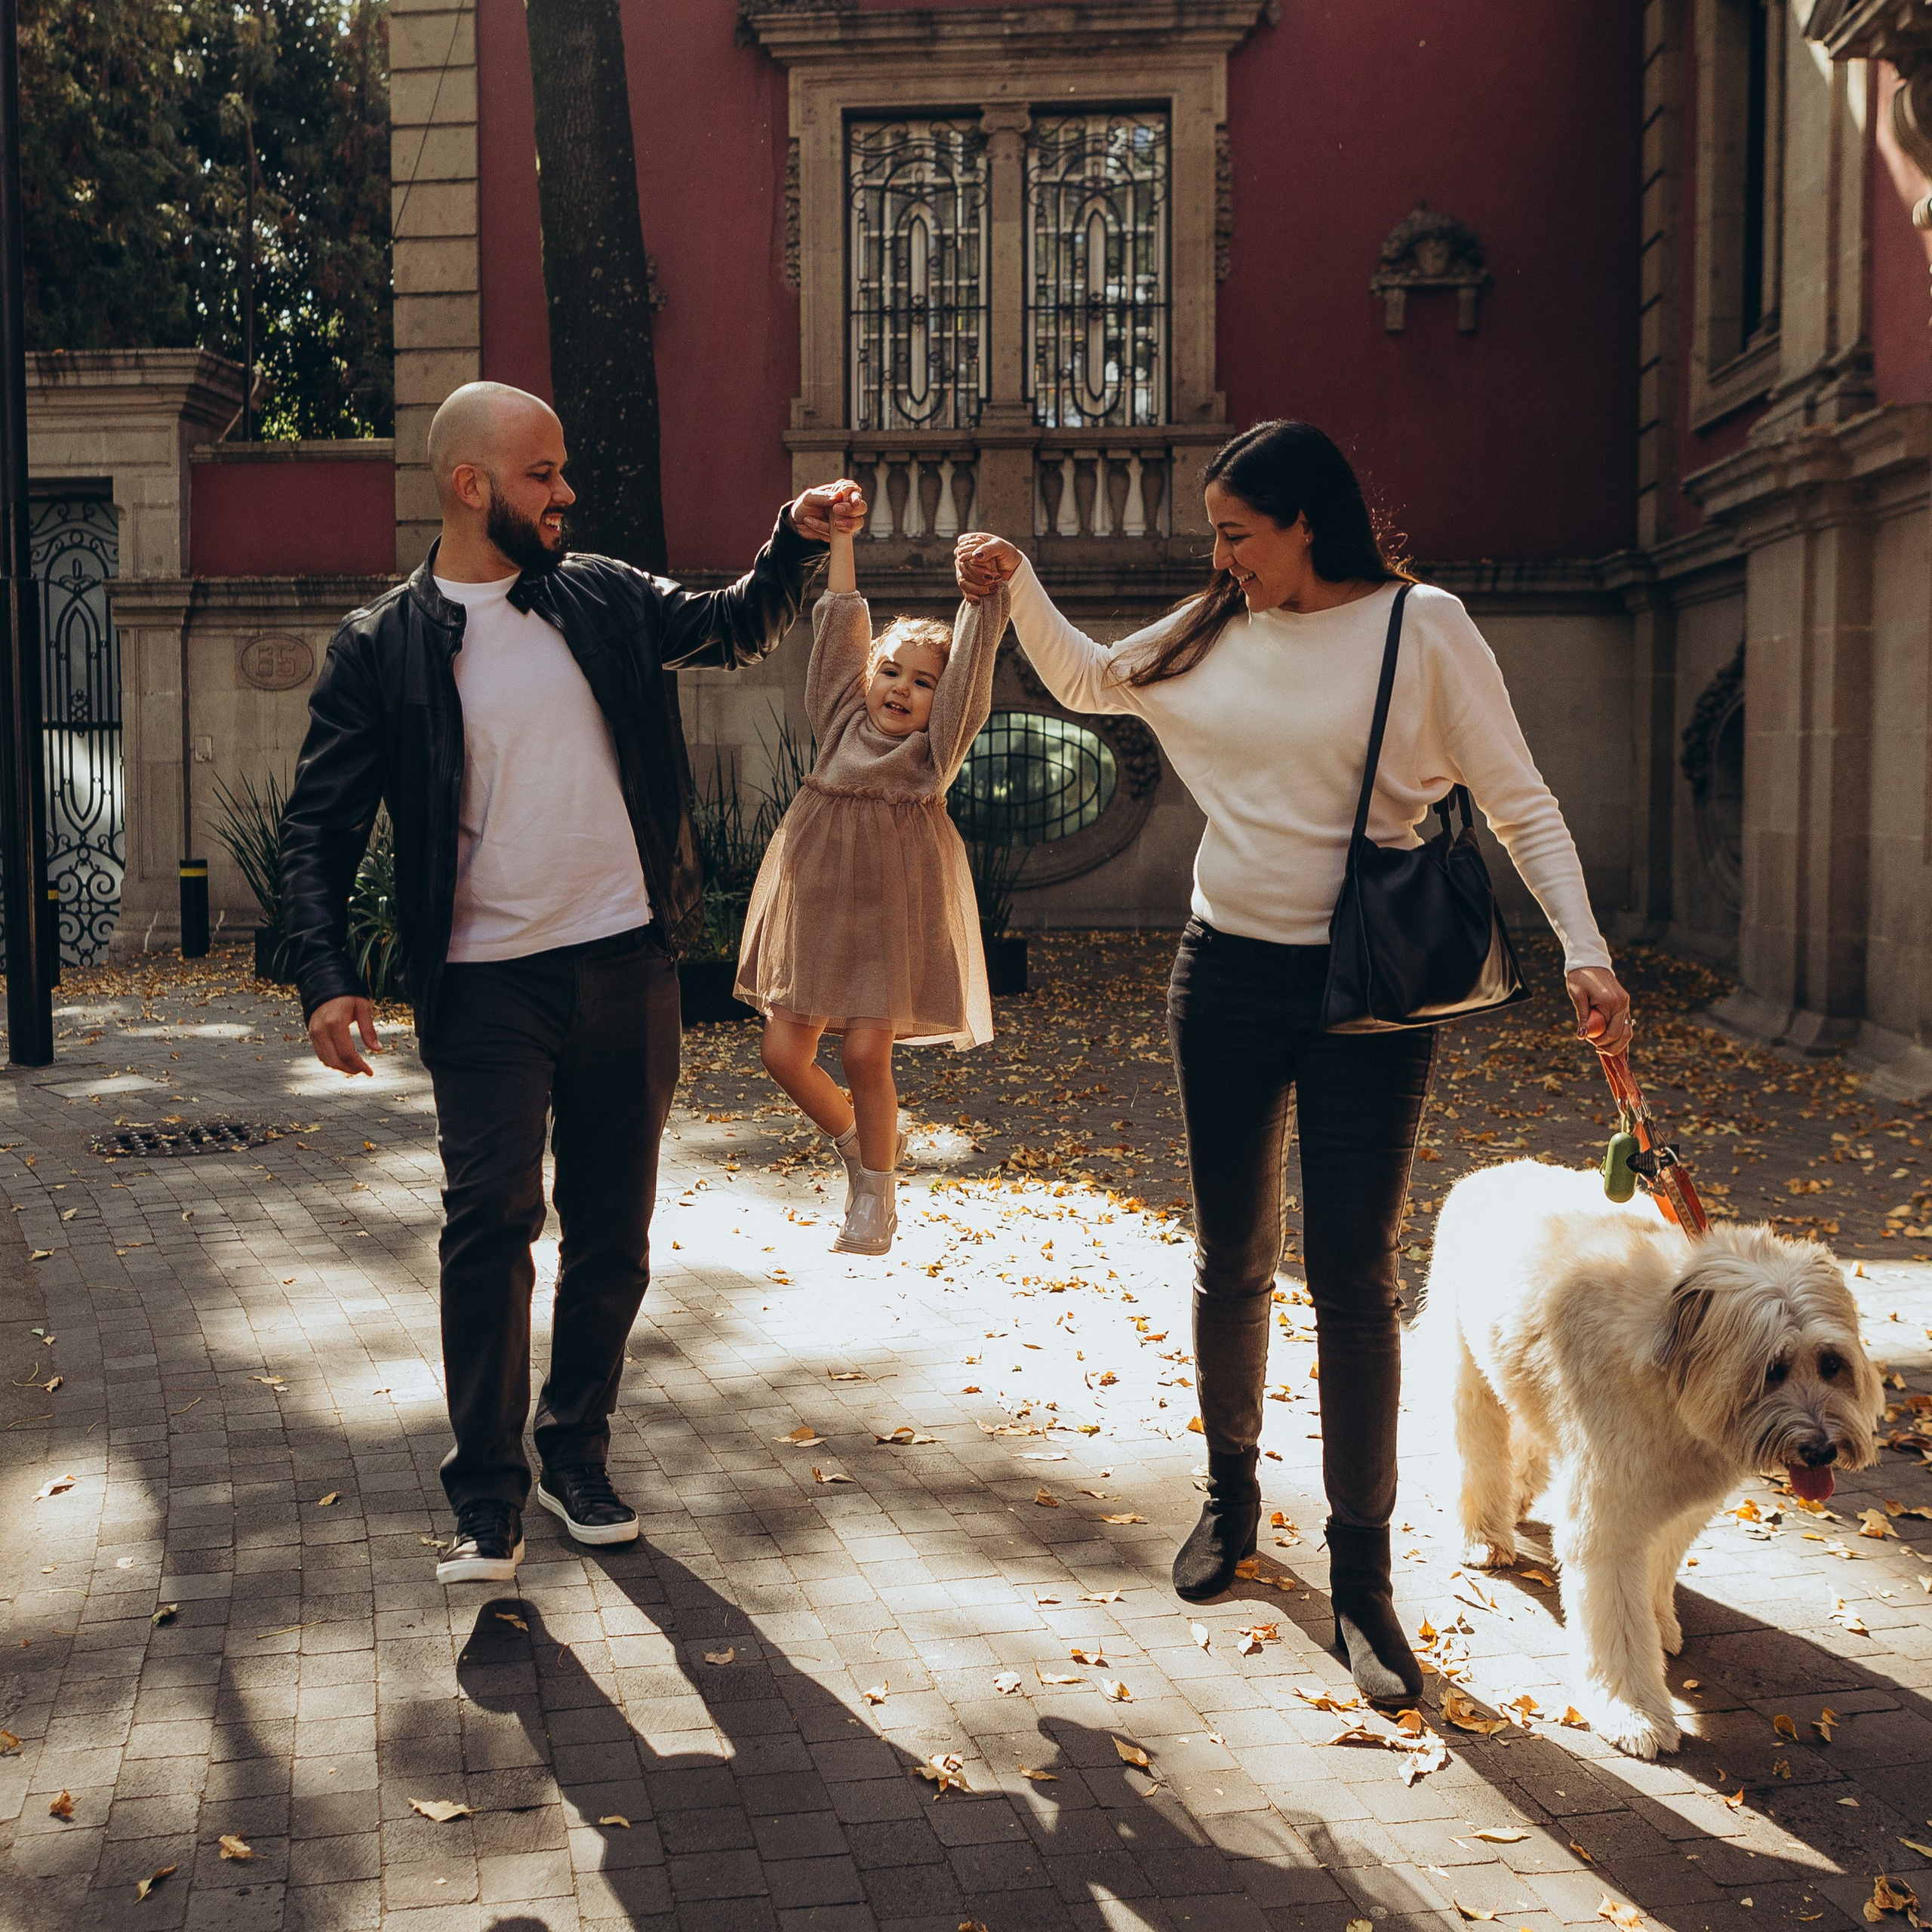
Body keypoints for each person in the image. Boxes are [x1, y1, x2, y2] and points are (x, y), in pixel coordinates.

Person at [955, 420, 1632, 1701]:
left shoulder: (1424, 626)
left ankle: (1366, 1579)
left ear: (1304, 522)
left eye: (1236, 534)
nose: (1221, 558)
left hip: (1368, 987)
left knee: (1355, 1278)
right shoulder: (1217, 625)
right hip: (1225, 976)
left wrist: (1586, 950)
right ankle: (1229, 1499)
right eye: (1217, 538)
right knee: (1231, 1256)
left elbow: (1521, 797)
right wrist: (1016, 581)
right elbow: (1097, 679)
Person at [281, 380, 865, 1584]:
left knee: (613, 1234)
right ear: (471, 484)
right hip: (485, 986)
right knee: (488, 1224)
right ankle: (487, 1494)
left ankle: (577, 1450)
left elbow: (730, 624)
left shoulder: (596, 596)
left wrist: (793, 543)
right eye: (542, 474)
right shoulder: (382, 645)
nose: (566, 493)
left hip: (624, 965)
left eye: (563, 472)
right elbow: (318, 830)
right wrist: (328, 975)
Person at [736, 486, 1008, 1256]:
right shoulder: (839, 719)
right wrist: (841, 536)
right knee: (781, 1054)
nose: (903, 689)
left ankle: (876, 1199)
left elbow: (971, 677)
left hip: (890, 910)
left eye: (923, 683)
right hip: (820, 905)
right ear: (868, 677)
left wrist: (981, 600)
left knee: (862, 1051)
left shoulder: (932, 753)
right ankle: (864, 1140)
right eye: (893, 672)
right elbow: (840, 617)